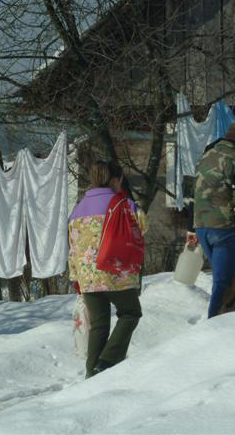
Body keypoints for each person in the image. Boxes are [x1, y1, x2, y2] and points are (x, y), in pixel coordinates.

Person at [67, 161, 143, 378]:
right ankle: (107, 363)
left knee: (99, 325)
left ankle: (92, 375)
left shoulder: (77, 209)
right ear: (116, 180)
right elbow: (142, 226)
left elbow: (72, 247)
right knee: (130, 313)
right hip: (116, 273)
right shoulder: (123, 203)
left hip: (87, 278)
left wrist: (76, 278)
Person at [186, 122, 235, 318]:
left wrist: (191, 230)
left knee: (226, 282)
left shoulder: (205, 157)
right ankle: (215, 327)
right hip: (225, 230)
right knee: (224, 284)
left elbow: (191, 195)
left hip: (202, 227)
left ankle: (229, 327)